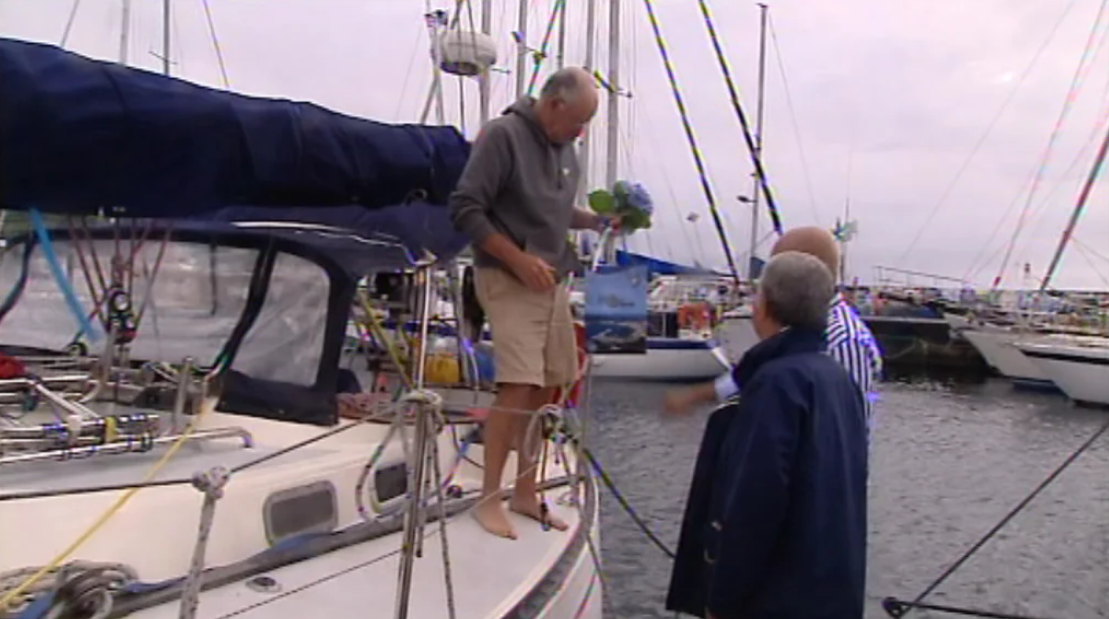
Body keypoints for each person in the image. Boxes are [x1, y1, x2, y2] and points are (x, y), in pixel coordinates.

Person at [448, 67, 608, 539]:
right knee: (517, 385)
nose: (580, 133)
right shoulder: (503, 136)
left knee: (552, 384)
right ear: (553, 104)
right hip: (506, 276)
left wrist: (596, 220)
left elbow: (556, 212)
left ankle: (524, 490)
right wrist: (517, 260)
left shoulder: (565, 149)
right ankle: (488, 497)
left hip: (551, 279)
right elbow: (465, 208)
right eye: (577, 121)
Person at [665, 251, 869, 619]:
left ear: (767, 306)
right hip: (831, 592)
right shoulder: (840, 380)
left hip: (776, 599)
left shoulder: (775, 384)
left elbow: (754, 501)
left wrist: (721, 600)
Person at [664, 226, 882, 435]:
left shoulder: (844, 340)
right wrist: (696, 396)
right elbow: (750, 378)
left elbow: (845, 432)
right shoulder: (803, 328)